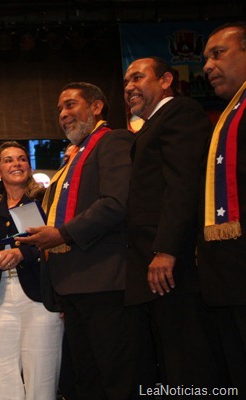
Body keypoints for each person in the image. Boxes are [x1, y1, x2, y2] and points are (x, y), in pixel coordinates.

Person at [15, 82, 144, 399]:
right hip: (70, 287)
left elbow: (115, 203)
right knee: (86, 383)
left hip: (104, 283)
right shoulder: (74, 156)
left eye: (71, 105)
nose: (63, 114)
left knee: (117, 380)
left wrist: (60, 234)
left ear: (97, 107)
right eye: (60, 109)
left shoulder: (113, 141)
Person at [123, 57, 222, 387]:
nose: (129, 87)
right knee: (170, 364)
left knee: (189, 364)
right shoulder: (150, 125)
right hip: (153, 269)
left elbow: (183, 184)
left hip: (173, 269)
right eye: (125, 82)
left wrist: (165, 250)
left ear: (166, 79)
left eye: (138, 77)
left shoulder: (179, 112)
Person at [0, 141, 63, 400]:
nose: (17, 164)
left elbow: (56, 243)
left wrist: (22, 252)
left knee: (41, 378)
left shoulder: (45, 201)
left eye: (22, 159)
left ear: (29, 167)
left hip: (40, 298)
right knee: (1, 375)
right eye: (9, 160)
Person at [199, 21, 246, 396]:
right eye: (205, 58)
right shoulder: (228, 114)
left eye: (219, 53)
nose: (208, 66)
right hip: (229, 275)